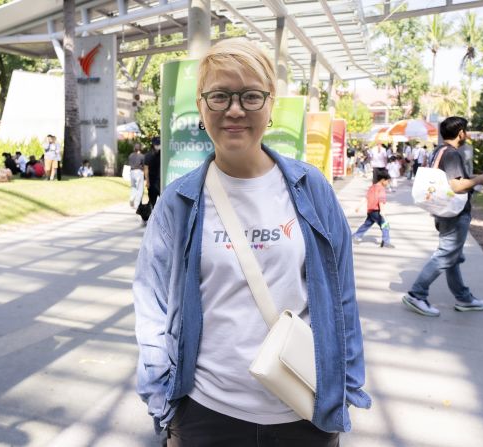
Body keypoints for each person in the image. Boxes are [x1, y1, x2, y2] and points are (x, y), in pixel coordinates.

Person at [133, 38, 370, 446]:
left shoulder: (311, 188)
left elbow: (341, 295)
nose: (235, 110)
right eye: (220, 96)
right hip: (205, 412)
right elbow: (151, 303)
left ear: (270, 102)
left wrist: (344, 387)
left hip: (304, 408)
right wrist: (161, 401)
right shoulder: (179, 201)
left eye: (250, 96)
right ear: (201, 105)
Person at [402, 116, 483, 317]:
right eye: (466, 131)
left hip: (444, 210)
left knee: (453, 257)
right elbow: (456, 185)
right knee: (446, 255)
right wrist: (479, 179)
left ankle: (464, 298)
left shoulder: (438, 151)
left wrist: (471, 179)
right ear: (461, 133)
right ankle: (417, 294)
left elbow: (448, 181)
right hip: (455, 213)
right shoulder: (452, 154)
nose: (467, 134)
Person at [353, 170, 394, 248]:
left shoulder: (372, 187)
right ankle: (386, 242)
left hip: (370, 211)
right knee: (385, 226)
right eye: (387, 181)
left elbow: (366, 197)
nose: (388, 183)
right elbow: (381, 200)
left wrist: (359, 206)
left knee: (367, 224)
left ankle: (356, 235)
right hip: (377, 211)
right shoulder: (381, 189)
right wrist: (382, 211)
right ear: (383, 180)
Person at [143, 136, 161, 209]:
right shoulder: (148, 155)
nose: (158, 146)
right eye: (157, 144)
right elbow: (146, 169)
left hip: (160, 182)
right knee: (152, 202)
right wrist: (147, 182)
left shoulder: (163, 155)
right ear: (153, 144)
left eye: (159, 144)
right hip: (152, 182)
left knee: (163, 202)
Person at [128, 142, 146, 209]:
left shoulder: (130, 155)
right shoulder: (141, 156)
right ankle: (137, 204)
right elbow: (144, 165)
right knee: (140, 189)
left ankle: (132, 198)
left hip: (132, 172)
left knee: (133, 187)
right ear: (140, 148)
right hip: (139, 172)